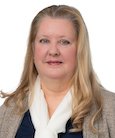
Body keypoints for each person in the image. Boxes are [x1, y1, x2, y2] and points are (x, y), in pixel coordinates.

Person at [0, 4, 115, 138]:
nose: (53, 51)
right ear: (33, 47)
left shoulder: (110, 109)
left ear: (80, 49)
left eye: (64, 42)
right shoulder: (8, 111)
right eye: (44, 41)